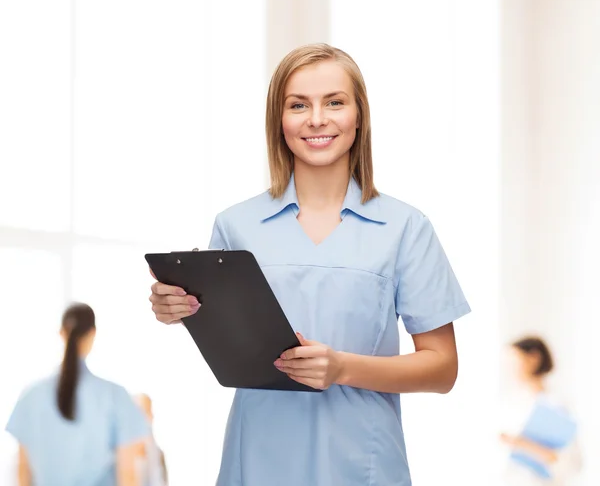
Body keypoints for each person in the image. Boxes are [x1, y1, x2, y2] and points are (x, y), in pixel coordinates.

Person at [149, 43, 471, 486]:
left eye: (334, 102)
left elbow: (442, 368)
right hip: (257, 462)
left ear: (359, 116)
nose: (317, 119)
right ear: (279, 122)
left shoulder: (405, 228)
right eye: (298, 105)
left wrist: (342, 368)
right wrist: (176, 309)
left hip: (363, 467)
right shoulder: (235, 226)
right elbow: (226, 337)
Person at [5, 303, 149, 486]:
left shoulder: (31, 396)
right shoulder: (115, 396)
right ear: (93, 333)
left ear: (61, 333)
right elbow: (127, 475)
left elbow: (23, 472)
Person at [500, 336, 583, 485]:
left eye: (514, 360)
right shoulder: (509, 404)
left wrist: (524, 445)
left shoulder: (557, 405)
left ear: (534, 358)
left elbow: (573, 462)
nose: (509, 368)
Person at [133, 394, 168, 486]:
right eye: (146, 411)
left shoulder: (158, 453)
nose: (151, 416)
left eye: (150, 411)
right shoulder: (120, 456)